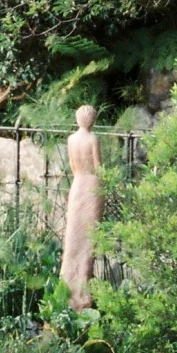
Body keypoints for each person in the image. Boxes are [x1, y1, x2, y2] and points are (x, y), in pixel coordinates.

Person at [61, 103, 103, 306]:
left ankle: (68, 285)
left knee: (74, 237)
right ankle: (81, 292)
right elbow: (98, 166)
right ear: (92, 120)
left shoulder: (71, 139)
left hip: (77, 184)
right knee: (88, 238)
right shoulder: (93, 138)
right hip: (91, 185)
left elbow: (71, 164)